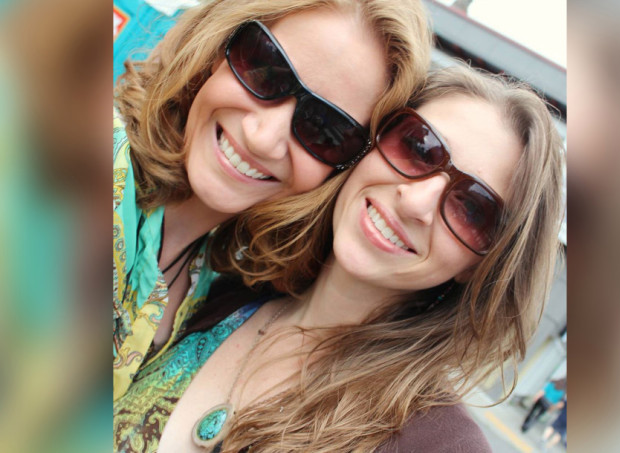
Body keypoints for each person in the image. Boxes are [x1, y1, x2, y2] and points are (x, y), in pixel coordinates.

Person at [114, 64, 564, 452]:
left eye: (473, 209)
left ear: (483, 265)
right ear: (368, 145)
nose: (415, 203)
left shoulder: (437, 442)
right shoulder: (225, 284)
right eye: (418, 146)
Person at [112, 0, 431, 401]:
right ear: (217, 46)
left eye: (325, 129)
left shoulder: (212, 284)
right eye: (263, 69)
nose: (263, 139)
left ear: (343, 169)